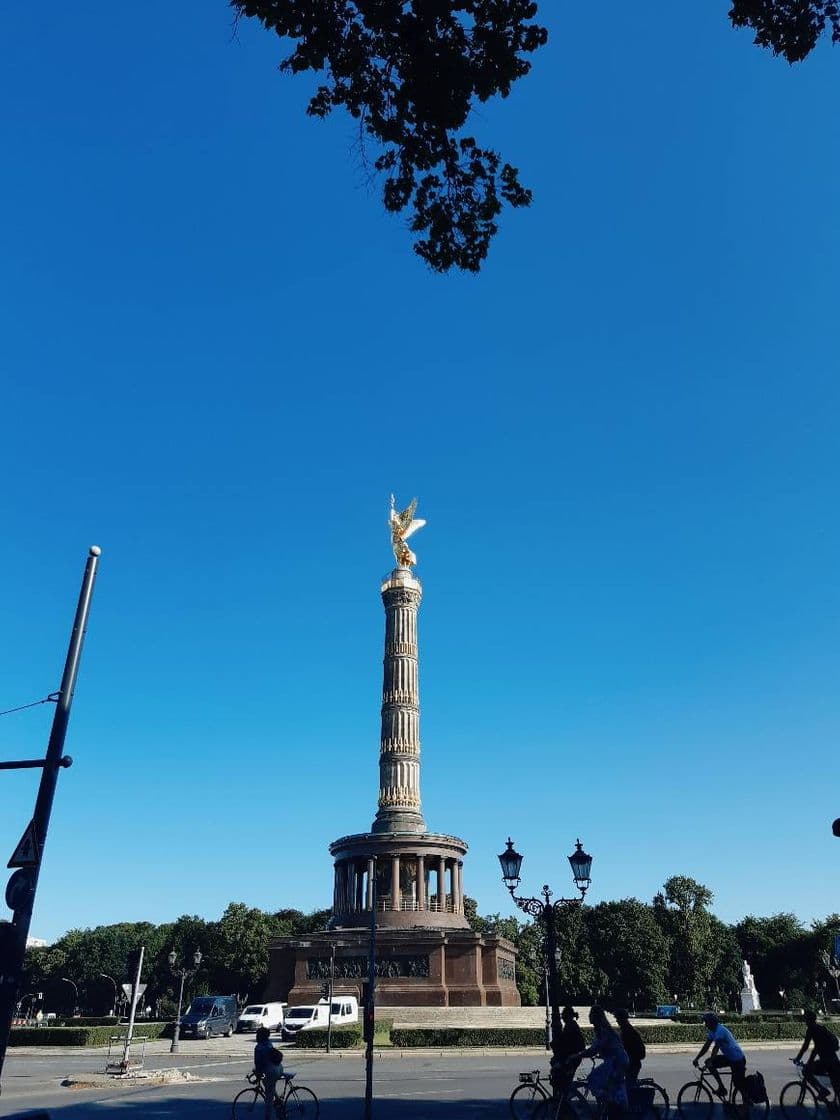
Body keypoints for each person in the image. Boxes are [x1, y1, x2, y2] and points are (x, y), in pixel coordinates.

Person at [574, 1006, 629, 1117]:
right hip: (615, 1060)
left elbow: (594, 1049)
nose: (589, 1016)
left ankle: (611, 1104)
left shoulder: (604, 1030)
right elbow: (597, 1047)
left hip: (616, 1062)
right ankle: (608, 1106)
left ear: (596, 1017)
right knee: (607, 1086)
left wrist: (577, 1056)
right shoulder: (602, 1029)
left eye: (591, 1014)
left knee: (594, 1080)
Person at [693, 1012, 747, 1102]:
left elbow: (715, 1048)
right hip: (729, 1058)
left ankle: (746, 1103)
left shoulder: (720, 1031)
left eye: (706, 1022)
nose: (705, 1025)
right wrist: (697, 1058)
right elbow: (706, 1047)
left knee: (738, 1084)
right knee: (708, 1062)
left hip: (738, 1059)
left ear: (711, 1022)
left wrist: (711, 1061)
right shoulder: (712, 1031)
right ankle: (721, 1087)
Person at [794, 1010, 840, 1103]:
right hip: (834, 1060)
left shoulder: (811, 1029)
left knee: (806, 1072)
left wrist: (799, 1059)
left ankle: (823, 1090)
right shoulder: (820, 1028)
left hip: (827, 1061)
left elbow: (807, 1047)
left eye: (806, 1020)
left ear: (809, 1020)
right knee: (836, 1084)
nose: (805, 1022)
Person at [550, 1006, 586, 1095]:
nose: (563, 1018)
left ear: (567, 1016)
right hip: (573, 1056)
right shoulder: (571, 1025)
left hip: (572, 1057)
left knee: (561, 1076)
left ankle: (564, 1099)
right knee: (564, 1078)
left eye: (564, 1016)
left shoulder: (570, 1026)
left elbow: (566, 1044)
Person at [254, 1026, 284, 1119]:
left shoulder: (259, 1047)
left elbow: (258, 1064)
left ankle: (269, 1117)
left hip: (270, 1072)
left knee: (269, 1100)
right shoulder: (269, 1043)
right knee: (268, 1084)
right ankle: (278, 1100)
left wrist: (257, 1075)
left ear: (260, 1036)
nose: (256, 1036)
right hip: (279, 1069)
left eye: (257, 1035)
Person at [615, 1008, 646, 1083]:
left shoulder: (627, 1031)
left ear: (622, 1019)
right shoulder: (626, 1029)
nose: (616, 1021)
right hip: (632, 1061)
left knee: (628, 1087)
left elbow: (622, 1046)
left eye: (618, 1019)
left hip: (632, 1063)